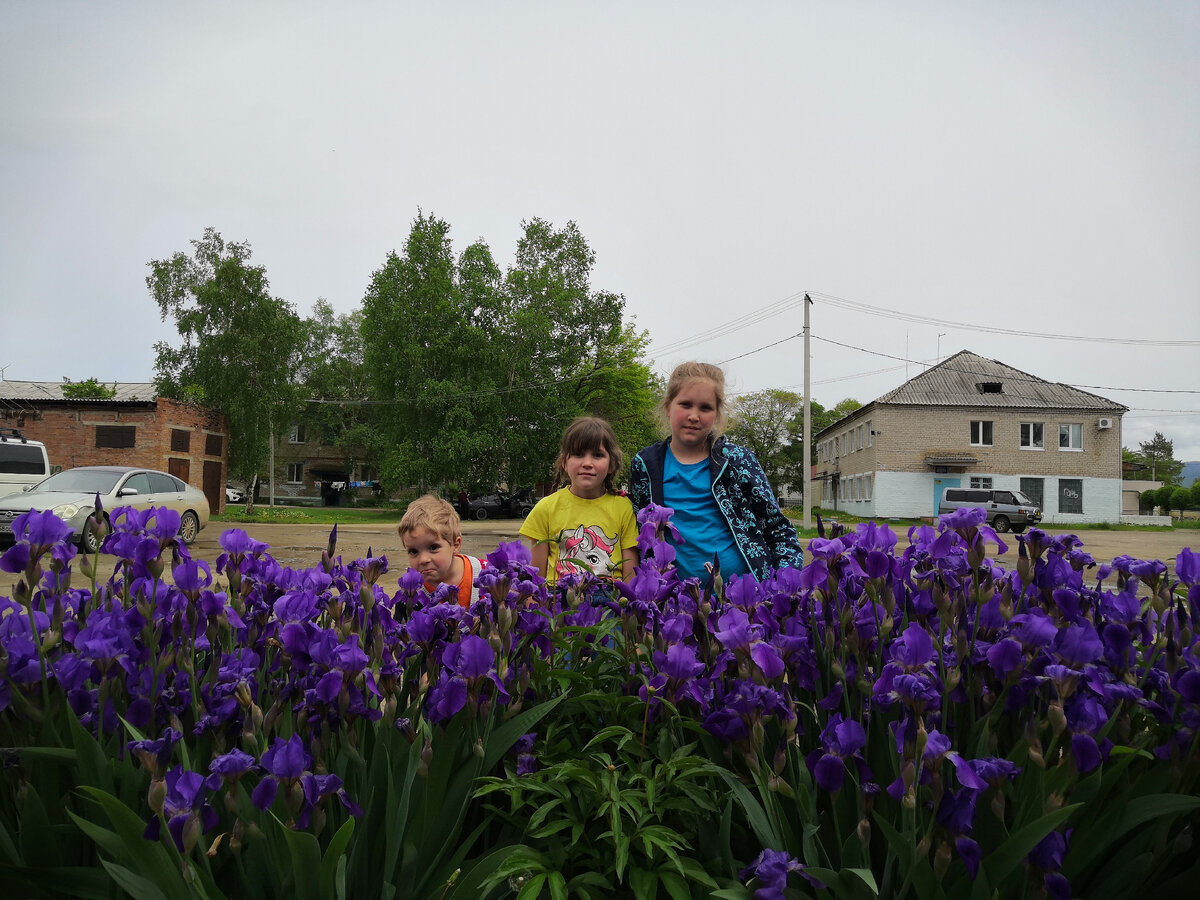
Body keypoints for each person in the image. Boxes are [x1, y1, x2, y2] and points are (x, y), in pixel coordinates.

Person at [629, 361, 804, 582]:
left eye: (705, 408)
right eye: (685, 404)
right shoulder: (645, 465)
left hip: (743, 602)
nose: (694, 416)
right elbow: (637, 531)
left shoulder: (738, 461)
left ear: (717, 414)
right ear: (667, 407)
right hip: (673, 603)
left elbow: (778, 530)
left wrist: (787, 587)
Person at [520, 416, 639, 588]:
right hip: (559, 610)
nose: (587, 463)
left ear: (612, 464)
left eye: (597, 455)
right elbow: (536, 578)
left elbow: (630, 577)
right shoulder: (546, 508)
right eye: (578, 454)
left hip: (610, 609)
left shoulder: (624, 508)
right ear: (564, 462)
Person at [398, 494, 484, 607]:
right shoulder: (411, 592)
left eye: (433, 548)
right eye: (413, 551)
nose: (423, 560)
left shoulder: (486, 575)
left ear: (455, 545)